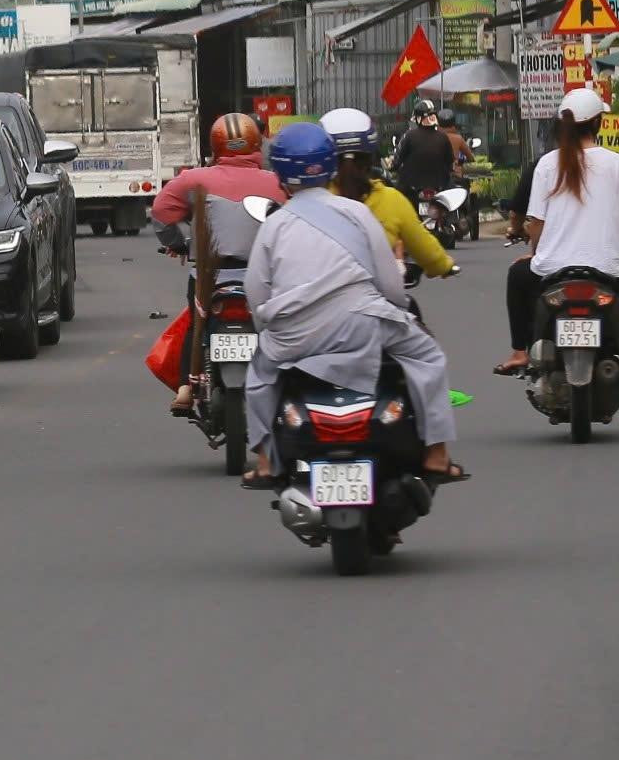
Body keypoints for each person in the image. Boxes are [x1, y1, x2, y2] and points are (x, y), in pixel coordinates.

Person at [241, 122, 465, 485]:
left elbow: (256, 294)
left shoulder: (274, 225)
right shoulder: (358, 213)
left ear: (280, 172)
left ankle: (266, 460)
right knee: (428, 357)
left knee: (259, 377)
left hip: (292, 338)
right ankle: (436, 454)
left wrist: (274, 332)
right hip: (361, 325)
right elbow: (391, 286)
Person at [150, 113, 287, 416]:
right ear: (256, 143)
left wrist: (176, 242)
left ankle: (186, 388)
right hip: (264, 278)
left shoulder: (194, 179)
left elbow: (160, 212)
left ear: (216, 146)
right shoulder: (279, 183)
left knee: (194, 325)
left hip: (210, 278)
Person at [496, 88, 619, 375]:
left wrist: (535, 254)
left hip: (553, 268)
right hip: (608, 269)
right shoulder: (616, 164)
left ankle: (519, 352)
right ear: (597, 123)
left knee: (516, 275)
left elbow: (536, 224)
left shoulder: (546, 164)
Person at [321, 107, 453, 284]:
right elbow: (427, 250)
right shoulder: (391, 199)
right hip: (377, 305)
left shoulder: (311, 202)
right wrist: (444, 265)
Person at [391, 100, 458, 196]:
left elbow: (397, 159)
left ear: (418, 119)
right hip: (439, 186)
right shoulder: (443, 137)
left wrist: (393, 167)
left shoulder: (409, 135)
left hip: (412, 187)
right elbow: (450, 163)